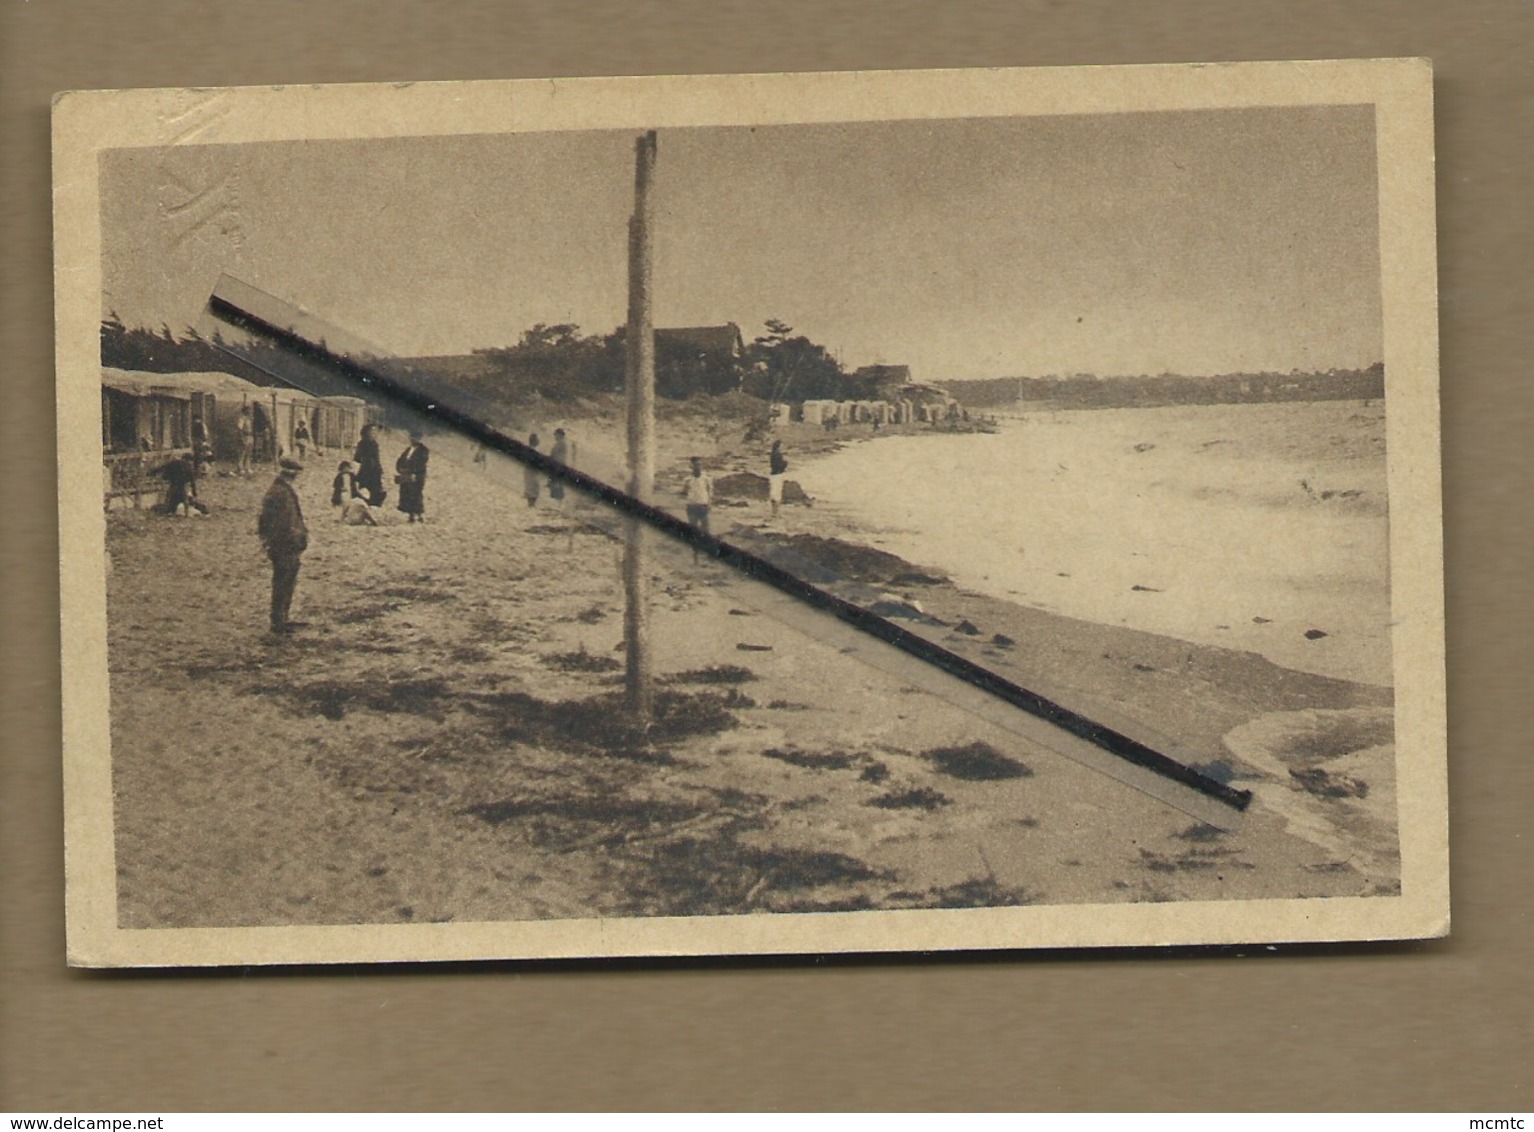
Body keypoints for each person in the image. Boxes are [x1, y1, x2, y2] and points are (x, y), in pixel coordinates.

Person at [258, 458, 309, 634]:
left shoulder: (281, 490)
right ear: (291, 473)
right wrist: (293, 540)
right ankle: (278, 622)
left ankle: (283, 618)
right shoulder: (280, 493)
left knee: (287, 582)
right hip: (284, 545)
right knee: (283, 582)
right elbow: (282, 523)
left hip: (285, 544)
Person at [395, 430, 430, 523]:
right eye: (411, 438)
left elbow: (421, 462)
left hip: (417, 475)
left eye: (415, 438)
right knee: (407, 494)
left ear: (419, 439)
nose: (413, 440)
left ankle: (419, 515)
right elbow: (400, 460)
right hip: (406, 475)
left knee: (416, 494)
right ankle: (411, 515)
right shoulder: (408, 450)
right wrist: (400, 469)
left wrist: (413, 471)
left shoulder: (424, 450)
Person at [683, 456, 713, 561]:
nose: (698, 467)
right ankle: (695, 554)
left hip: (703, 506)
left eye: (700, 464)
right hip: (691, 507)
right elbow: (684, 492)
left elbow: (710, 493)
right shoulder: (687, 479)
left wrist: (709, 504)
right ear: (691, 466)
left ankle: (710, 553)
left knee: (706, 530)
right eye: (696, 465)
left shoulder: (706, 479)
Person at [353, 423, 386, 508]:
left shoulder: (375, 444)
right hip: (365, 469)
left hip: (375, 469)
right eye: (371, 431)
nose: (373, 433)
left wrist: (380, 469)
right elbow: (357, 458)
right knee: (364, 488)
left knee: (376, 487)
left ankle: (374, 504)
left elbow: (377, 458)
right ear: (366, 432)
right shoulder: (362, 444)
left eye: (374, 431)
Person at [547, 427, 569, 509]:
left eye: (555, 435)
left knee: (557, 484)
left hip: (558, 466)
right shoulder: (561, 443)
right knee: (556, 484)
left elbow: (554, 454)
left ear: (559, 435)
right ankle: (558, 504)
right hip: (557, 465)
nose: (554, 436)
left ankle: (558, 504)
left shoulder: (561, 443)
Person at [768, 440, 788, 519]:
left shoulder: (773, 454)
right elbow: (779, 466)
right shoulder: (778, 455)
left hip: (773, 474)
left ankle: (774, 512)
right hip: (777, 475)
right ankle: (776, 513)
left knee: (773, 494)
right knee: (777, 494)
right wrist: (785, 463)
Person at [523, 433, 541, 507]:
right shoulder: (533, 450)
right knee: (533, 487)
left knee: (532, 487)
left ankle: (531, 504)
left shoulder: (530, 449)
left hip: (530, 471)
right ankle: (531, 504)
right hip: (531, 471)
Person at [236, 405, 254, 476]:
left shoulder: (248, 419)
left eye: (250, 410)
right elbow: (239, 429)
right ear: (245, 411)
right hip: (244, 436)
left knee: (248, 453)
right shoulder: (241, 418)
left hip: (250, 436)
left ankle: (247, 467)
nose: (250, 411)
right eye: (248, 410)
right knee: (242, 453)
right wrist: (241, 438)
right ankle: (240, 468)